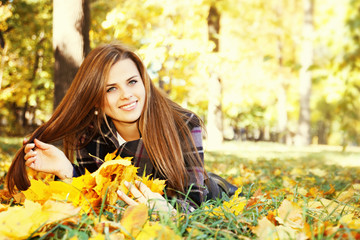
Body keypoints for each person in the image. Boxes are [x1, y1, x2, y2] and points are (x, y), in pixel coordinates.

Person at [6, 43, 237, 212]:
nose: (127, 95)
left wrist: (166, 211)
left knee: (214, 186)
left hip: (210, 191)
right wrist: (66, 171)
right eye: (111, 89)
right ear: (96, 99)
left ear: (144, 82)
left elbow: (194, 203)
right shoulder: (87, 135)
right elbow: (95, 192)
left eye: (132, 82)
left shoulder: (183, 125)